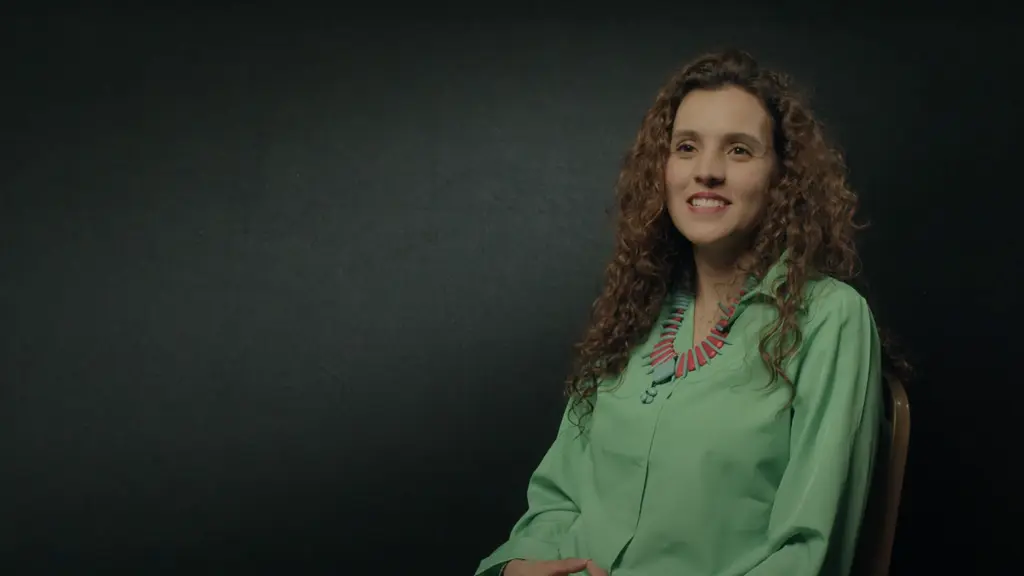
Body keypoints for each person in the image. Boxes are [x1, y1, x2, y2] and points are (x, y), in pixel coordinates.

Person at [475, 49, 896, 576]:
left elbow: (810, 552)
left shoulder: (831, 319)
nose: (707, 172)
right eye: (687, 147)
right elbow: (559, 498)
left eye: (739, 150)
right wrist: (517, 566)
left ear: (781, 176)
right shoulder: (633, 313)